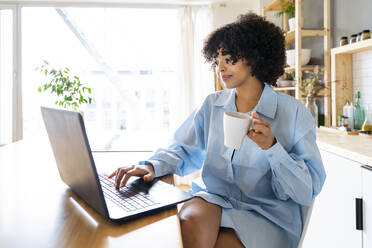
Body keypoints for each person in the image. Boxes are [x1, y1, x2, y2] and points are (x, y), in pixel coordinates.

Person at [109, 12, 326, 248]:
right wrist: (150, 165)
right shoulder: (212, 105)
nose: (220, 67)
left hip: (267, 214)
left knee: (223, 245)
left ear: (255, 58)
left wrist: (273, 148)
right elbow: (182, 148)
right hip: (214, 198)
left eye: (229, 58)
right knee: (189, 222)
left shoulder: (293, 114)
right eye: (217, 59)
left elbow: (306, 191)